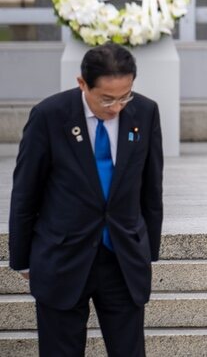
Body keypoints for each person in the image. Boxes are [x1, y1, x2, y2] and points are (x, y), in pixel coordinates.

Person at [8, 43, 163, 356]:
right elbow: (26, 191)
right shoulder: (50, 116)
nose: (116, 106)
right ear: (82, 84)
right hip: (63, 257)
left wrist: (148, 251)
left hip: (121, 257)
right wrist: (22, 258)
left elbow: (151, 188)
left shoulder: (145, 113)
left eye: (125, 96)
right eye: (107, 98)